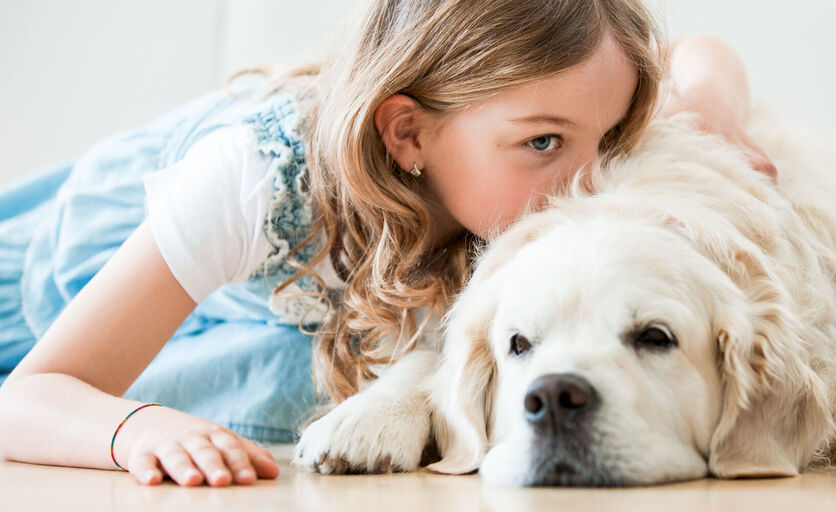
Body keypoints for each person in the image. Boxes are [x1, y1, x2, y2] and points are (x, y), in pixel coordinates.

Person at [0, 0, 774, 488]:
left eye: (607, 139)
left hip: (308, 304)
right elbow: (29, 398)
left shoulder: (540, 153)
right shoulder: (251, 182)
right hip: (72, 271)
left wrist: (711, 107)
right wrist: (137, 430)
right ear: (408, 133)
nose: (592, 183)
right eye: (544, 142)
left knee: (329, 391)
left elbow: (700, 49)